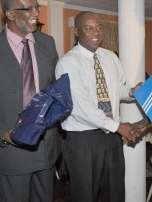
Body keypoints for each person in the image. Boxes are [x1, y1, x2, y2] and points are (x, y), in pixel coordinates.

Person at [0, 0, 60, 202]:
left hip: (47, 147)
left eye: (36, 7)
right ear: (9, 14)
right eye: (27, 9)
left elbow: (54, 89)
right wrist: (4, 134)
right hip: (13, 153)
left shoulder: (47, 43)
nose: (36, 13)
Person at [55, 11, 144, 202]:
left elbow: (118, 88)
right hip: (84, 139)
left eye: (98, 27)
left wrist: (131, 92)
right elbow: (81, 108)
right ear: (77, 31)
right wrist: (119, 127)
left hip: (111, 137)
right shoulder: (68, 63)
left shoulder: (110, 56)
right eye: (89, 28)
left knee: (114, 191)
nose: (96, 33)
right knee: (86, 194)